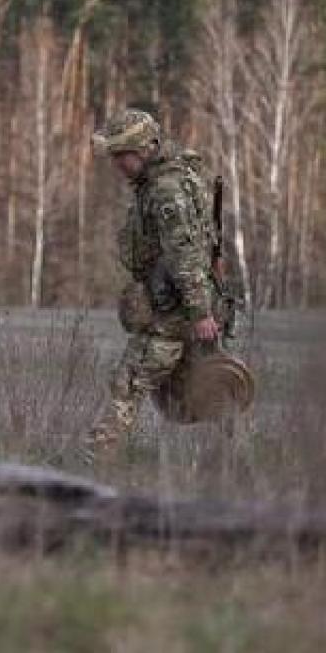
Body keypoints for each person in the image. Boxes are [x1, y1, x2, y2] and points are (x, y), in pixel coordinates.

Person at [85, 108, 223, 455]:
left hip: (172, 312)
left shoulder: (166, 190)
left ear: (145, 149)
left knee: (128, 385)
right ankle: (235, 456)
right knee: (197, 391)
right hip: (180, 306)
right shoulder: (168, 178)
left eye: (122, 156)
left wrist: (200, 312)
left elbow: (184, 254)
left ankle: (96, 460)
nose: (117, 164)